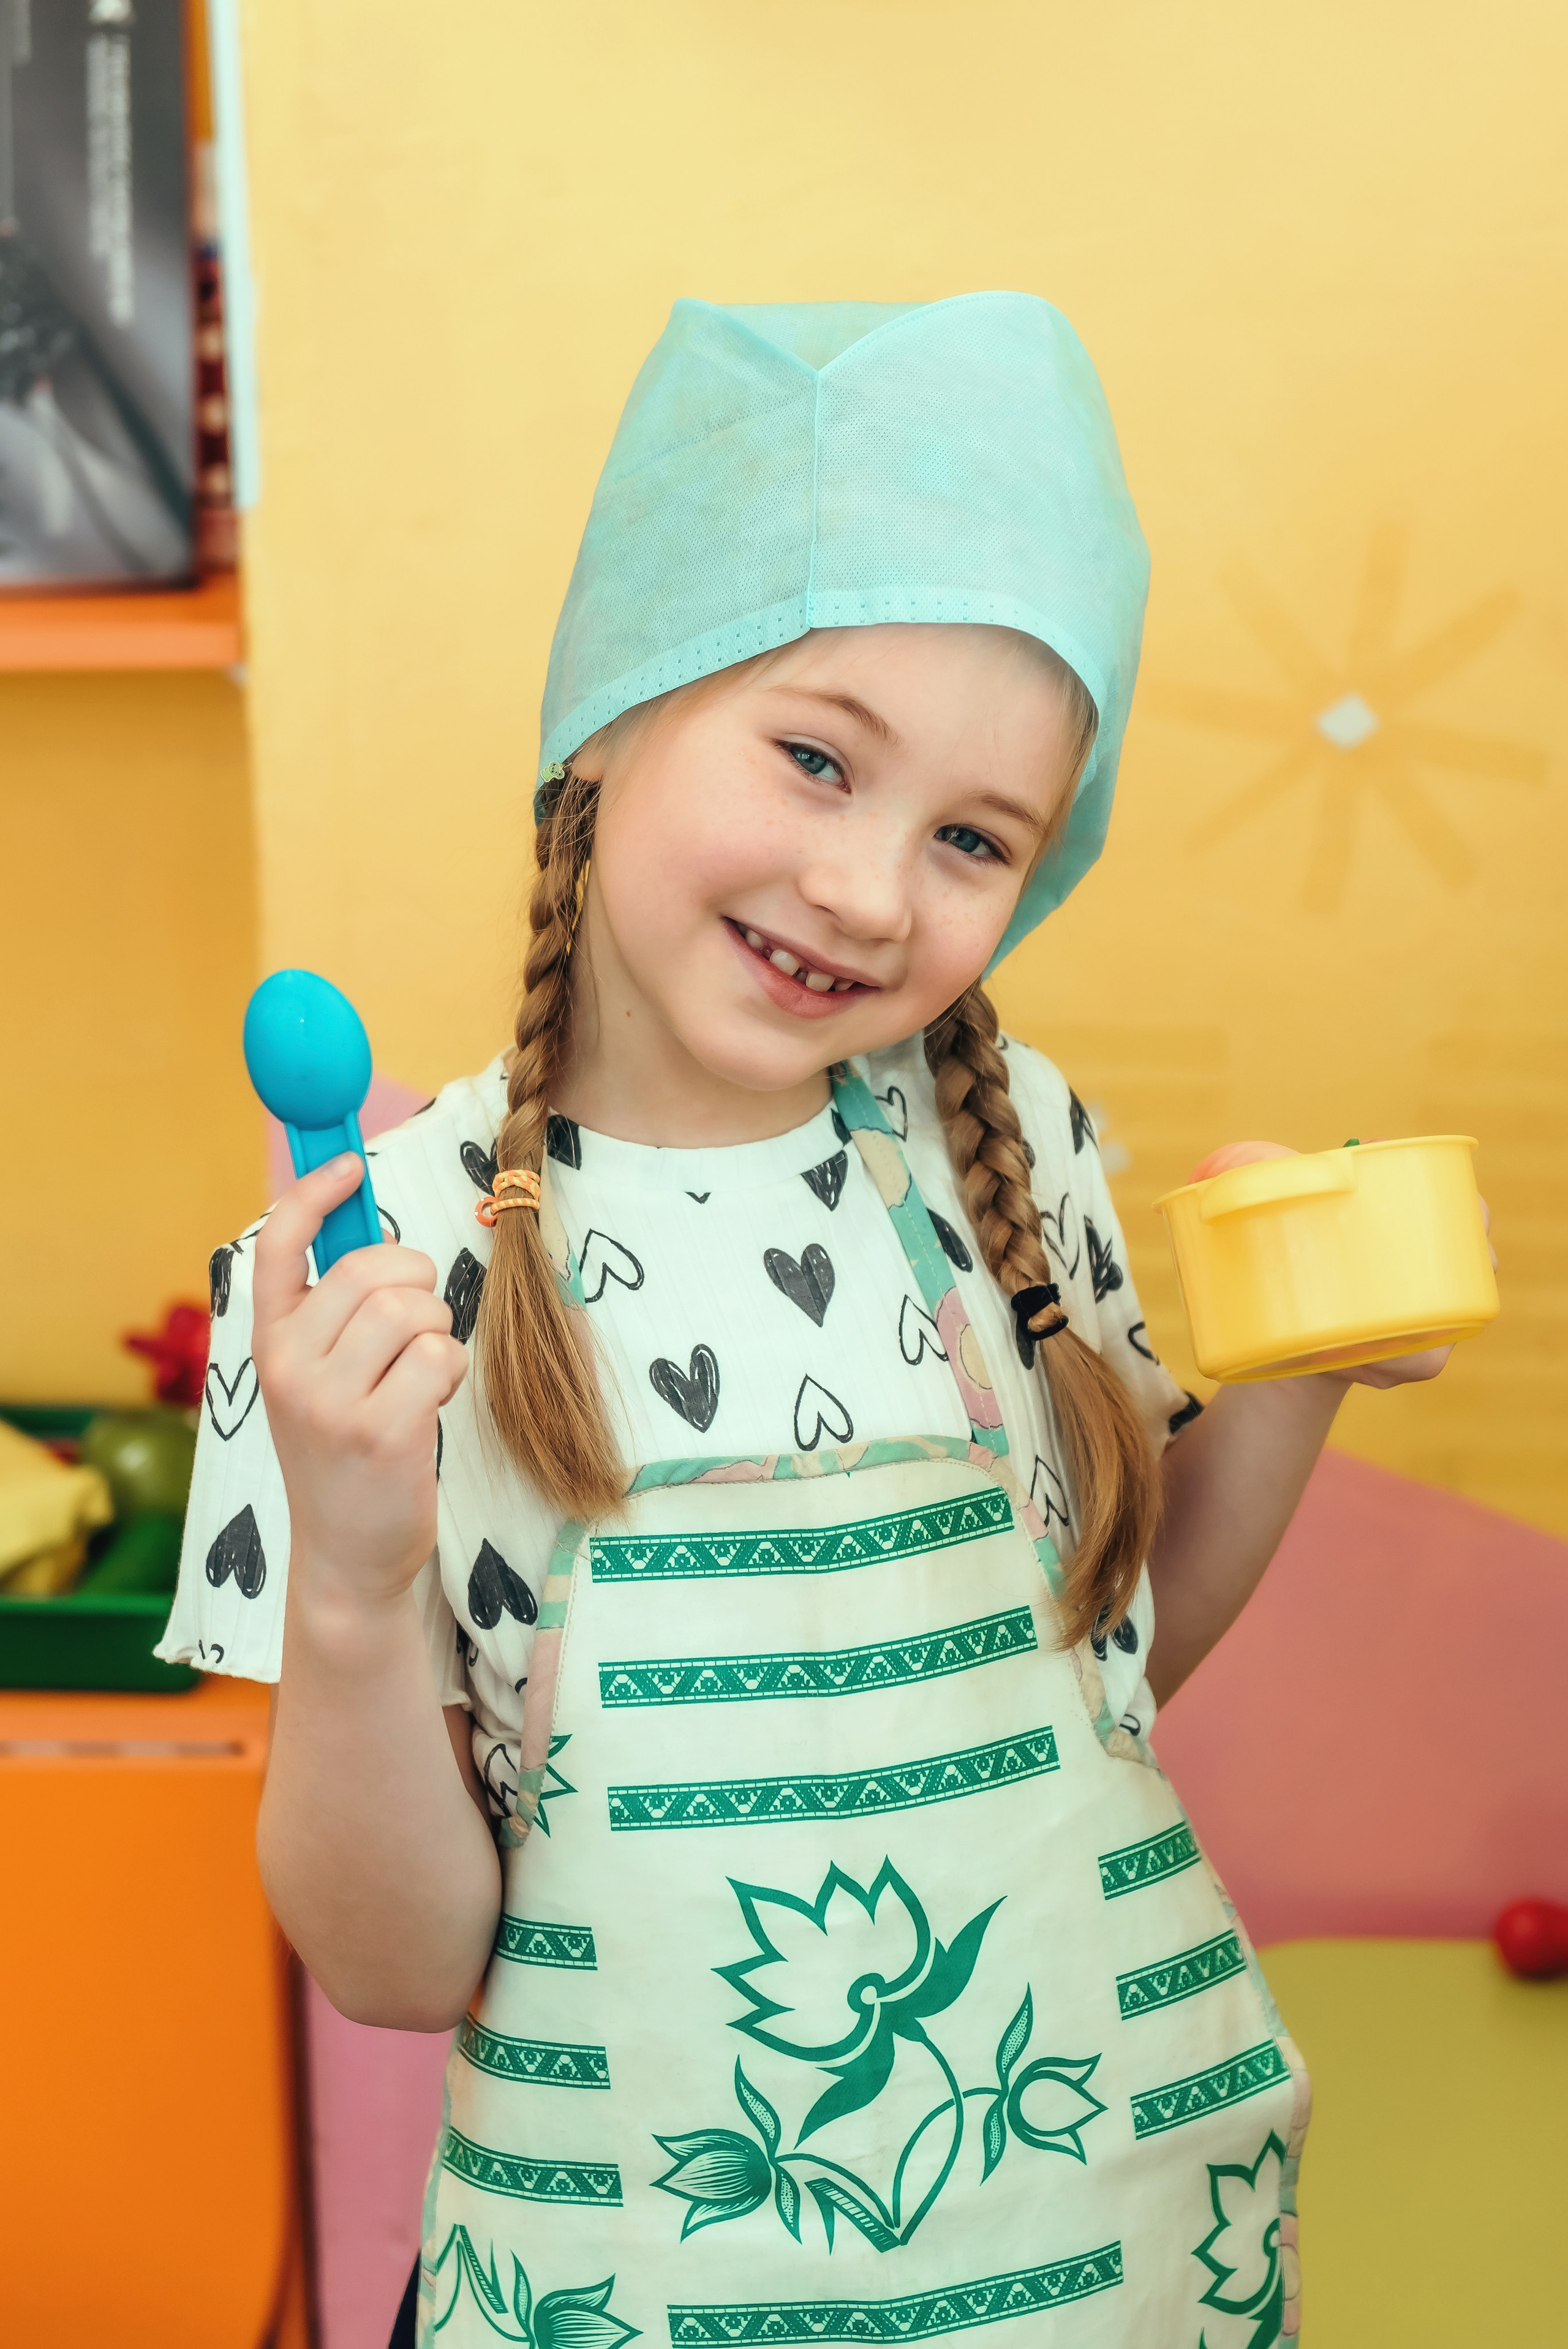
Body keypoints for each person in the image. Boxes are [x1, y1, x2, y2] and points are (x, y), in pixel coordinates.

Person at [163, 297, 1462, 2347]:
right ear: (612, 706)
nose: (868, 887)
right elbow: (401, 1967)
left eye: (970, 839)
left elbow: (1103, 1686)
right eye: (813, 754)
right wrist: (349, 1571)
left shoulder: (1012, 1149)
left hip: (1111, 2281)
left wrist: (1293, 1368)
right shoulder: (366, 1280)